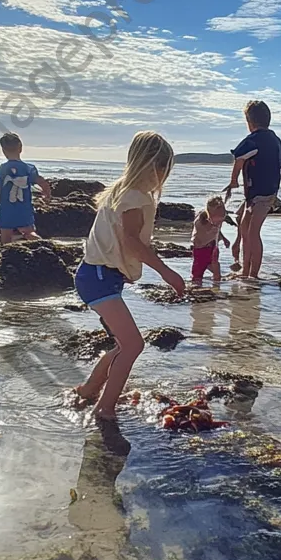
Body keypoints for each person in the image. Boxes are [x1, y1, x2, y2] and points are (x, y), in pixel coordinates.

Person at [73, 132, 185, 421]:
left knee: (125, 344)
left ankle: (88, 390)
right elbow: (132, 242)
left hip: (96, 276)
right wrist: (167, 272)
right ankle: (104, 410)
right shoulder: (135, 196)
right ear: (153, 167)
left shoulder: (120, 190)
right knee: (134, 345)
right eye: (163, 170)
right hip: (98, 277)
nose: (163, 177)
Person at [224, 99, 281, 279]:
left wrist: (233, 180)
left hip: (260, 194)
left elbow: (239, 158)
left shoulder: (254, 140)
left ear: (249, 122)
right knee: (244, 228)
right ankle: (246, 270)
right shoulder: (275, 139)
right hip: (267, 192)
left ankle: (253, 274)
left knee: (252, 232)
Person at [0, 132, 52, 244]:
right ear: (20, 148)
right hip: (24, 208)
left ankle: (6, 255)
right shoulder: (29, 168)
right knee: (29, 232)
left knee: (6, 235)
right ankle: (42, 245)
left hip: (6, 209)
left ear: (3, 150)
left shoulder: (1, 169)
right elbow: (42, 182)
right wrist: (47, 194)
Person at [191, 196, 233, 283]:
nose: (220, 222)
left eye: (222, 218)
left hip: (213, 247)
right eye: (218, 219)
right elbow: (200, 237)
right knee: (198, 273)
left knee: (216, 269)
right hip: (200, 248)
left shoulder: (218, 219)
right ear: (210, 214)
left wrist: (224, 238)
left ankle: (217, 284)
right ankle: (196, 285)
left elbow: (218, 231)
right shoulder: (200, 222)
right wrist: (210, 231)